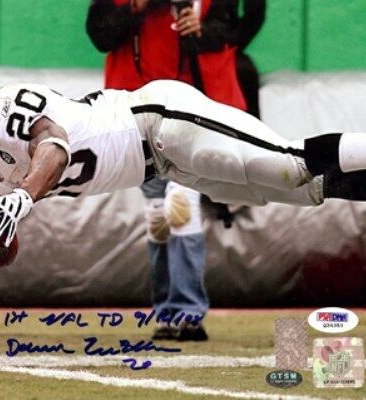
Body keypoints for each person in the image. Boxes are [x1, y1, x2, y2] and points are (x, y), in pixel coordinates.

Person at [0, 79, 366, 350]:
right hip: (165, 166)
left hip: (160, 120)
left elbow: (53, 146)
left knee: (285, 164)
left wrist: (25, 195)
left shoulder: (6, 109)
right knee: (301, 190)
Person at [86, 0, 249, 340]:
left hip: (187, 109)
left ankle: (187, 312)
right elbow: (99, 36)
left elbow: (235, 30)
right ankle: (168, 312)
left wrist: (203, 30)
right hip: (133, 111)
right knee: (158, 214)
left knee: (181, 206)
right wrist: (136, 7)